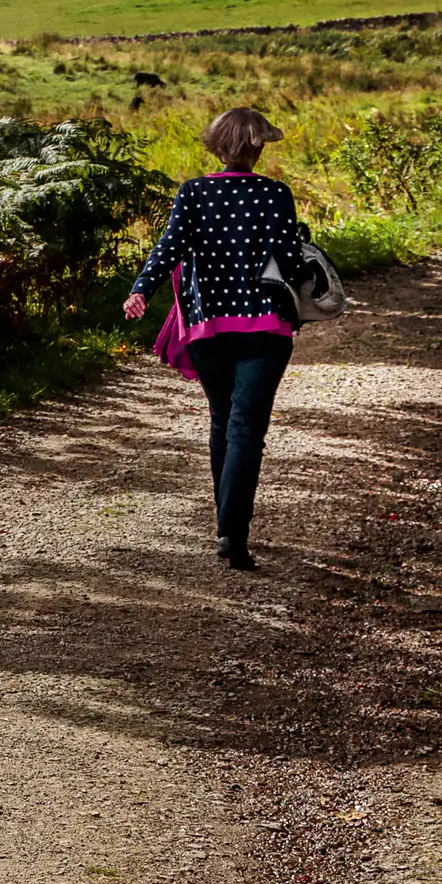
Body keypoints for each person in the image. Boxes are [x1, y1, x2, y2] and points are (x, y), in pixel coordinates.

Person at [119, 106, 308, 571]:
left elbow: (169, 248)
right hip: (265, 328)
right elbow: (288, 261)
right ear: (258, 148)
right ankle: (233, 534)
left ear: (216, 146)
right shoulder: (276, 195)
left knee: (223, 419)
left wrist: (141, 289)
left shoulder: (195, 193)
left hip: (208, 329)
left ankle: (226, 527)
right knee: (247, 430)